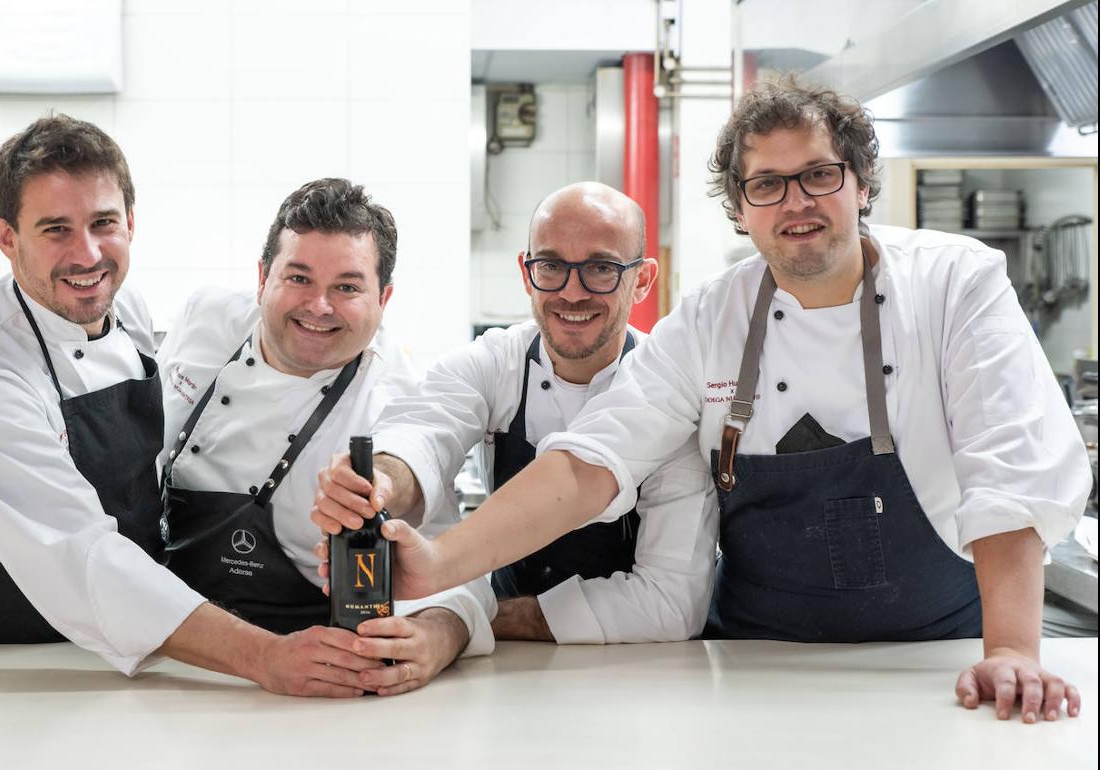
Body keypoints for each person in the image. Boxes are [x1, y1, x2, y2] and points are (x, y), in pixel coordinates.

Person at [313, 79, 1091, 722]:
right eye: (766, 184)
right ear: (741, 207)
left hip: (935, 662)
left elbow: (1008, 473)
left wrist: (1012, 652)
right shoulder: (713, 320)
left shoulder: (956, 280)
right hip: (749, 663)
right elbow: (592, 461)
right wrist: (439, 563)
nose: (797, 202)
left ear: (859, 182)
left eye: (819, 174)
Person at [0, 116, 383, 698]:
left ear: (130, 222)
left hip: (124, 659)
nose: (86, 255)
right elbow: (81, 559)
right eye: (55, 228)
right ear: (7, 237)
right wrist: (264, 656)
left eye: (103, 223)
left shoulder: (121, 307)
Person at [313, 182, 717, 643]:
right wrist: (381, 482)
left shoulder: (670, 393)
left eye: (600, 269)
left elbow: (669, 605)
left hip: (634, 669)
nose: (571, 292)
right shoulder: (495, 362)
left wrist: (478, 619)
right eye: (551, 266)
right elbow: (424, 426)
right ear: (526, 273)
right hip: (503, 665)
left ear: (642, 280)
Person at [158, 178, 494, 696]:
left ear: (383, 299)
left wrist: (438, 635)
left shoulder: (394, 403)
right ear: (263, 277)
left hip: (296, 675)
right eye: (299, 278)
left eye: (348, 287)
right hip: (158, 649)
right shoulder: (206, 318)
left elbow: (455, 565)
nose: (319, 306)